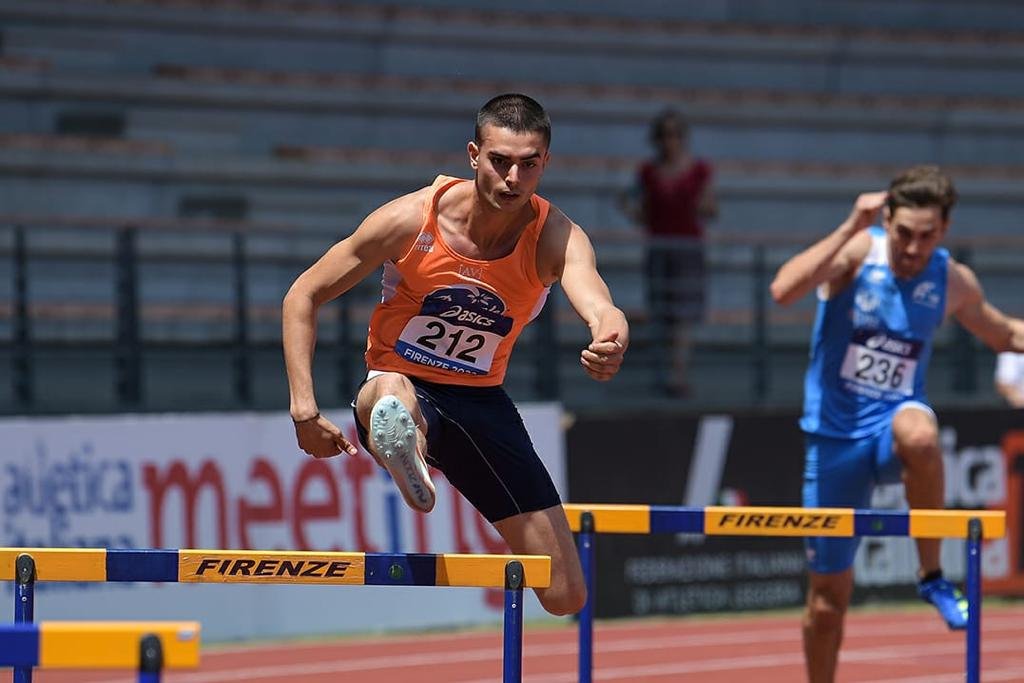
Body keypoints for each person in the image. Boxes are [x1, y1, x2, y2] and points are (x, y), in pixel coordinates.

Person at [282, 93, 629, 616]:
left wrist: (610, 336)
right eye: (500, 161)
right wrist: (304, 407)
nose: (513, 178)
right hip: (401, 381)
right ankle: (407, 444)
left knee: (564, 593)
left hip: (483, 404)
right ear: (473, 155)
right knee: (393, 394)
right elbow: (303, 294)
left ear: (545, 164)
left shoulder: (556, 236)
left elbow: (600, 303)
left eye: (528, 164)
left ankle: (410, 446)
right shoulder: (409, 219)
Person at [770, 165, 1024, 683]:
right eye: (904, 233)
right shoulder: (860, 252)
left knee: (920, 434)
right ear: (886, 221)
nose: (912, 248)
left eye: (927, 236)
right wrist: (850, 226)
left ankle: (931, 575)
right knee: (826, 604)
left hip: (893, 426)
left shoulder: (951, 279)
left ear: (944, 231)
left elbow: (1002, 334)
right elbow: (783, 290)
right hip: (834, 442)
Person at [621, 109, 716, 397]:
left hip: (687, 248)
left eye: (675, 135)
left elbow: (711, 208)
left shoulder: (699, 170)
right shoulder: (648, 172)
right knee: (662, 312)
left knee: (684, 315)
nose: (669, 141)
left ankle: (677, 374)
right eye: (664, 135)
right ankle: (665, 371)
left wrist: (700, 206)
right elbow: (627, 200)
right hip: (659, 247)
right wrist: (641, 216)